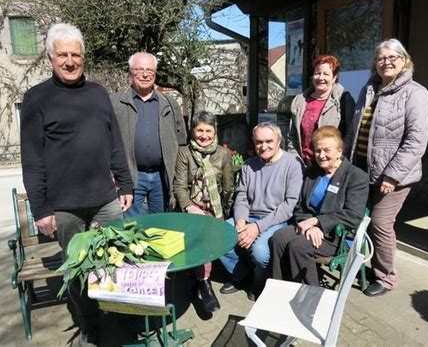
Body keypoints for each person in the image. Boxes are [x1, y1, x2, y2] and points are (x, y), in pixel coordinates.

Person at [20, 23, 133, 345]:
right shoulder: (36, 98)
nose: (70, 61)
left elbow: (114, 143)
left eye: (76, 55)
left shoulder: (98, 94)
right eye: (62, 55)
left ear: (84, 57)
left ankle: (120, 318)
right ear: (51, 58)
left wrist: (124, 185)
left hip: (105, 200)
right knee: (78, 270)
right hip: (65, 207)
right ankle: (89, 325)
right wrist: (41, 210)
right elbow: (32, 160)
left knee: (116, 262)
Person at [345, 38, 428, 297]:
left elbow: (416, 140)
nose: (386, 62)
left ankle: (385, 276)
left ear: (405, 61)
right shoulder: (368, 89)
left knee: (381, 223)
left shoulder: (416, 93)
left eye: (393, 57)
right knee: (357, 220)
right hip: (361, 169)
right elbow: (353, 130)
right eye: (381, 58)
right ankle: (357, 265)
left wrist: (392, 175)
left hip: (391, 176)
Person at [271, 126, 369, 285]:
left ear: (339, 151)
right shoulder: (312, 173)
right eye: (317, 151)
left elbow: (353, 215)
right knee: (279, 238)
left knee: (299, 247)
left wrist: (317, 223)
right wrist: (309, 225)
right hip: (310, 227)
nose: (321, 155)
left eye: (327, 150)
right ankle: (282, 286)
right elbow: (300, 206)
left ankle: (309, 295)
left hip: (339, 234)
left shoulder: (356, 177)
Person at [219, 122, 303, 300]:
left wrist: (257, 227)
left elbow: (289, 205)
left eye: (268, 141)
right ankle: (241, 274)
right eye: (258, 142)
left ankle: (259, 282)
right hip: (248, 216)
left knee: (260, 252)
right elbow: (241, 196)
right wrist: (241, 221)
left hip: (277, 220)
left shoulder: (293, 164)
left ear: (279, 140)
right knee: (220, 237)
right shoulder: (249, 165)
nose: (263, 146)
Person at [111, 51, 187, 217]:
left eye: (150, 70)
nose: (145, 75)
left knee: (161, 225)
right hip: (130, 176)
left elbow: (182, 142)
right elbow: (105, 143)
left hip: (162, 176)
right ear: (131, 73)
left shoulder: (170, 104)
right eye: (139, 70)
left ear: (155, 73)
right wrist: (112, 175)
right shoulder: (116, 103)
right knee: (132, 227)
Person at [173, 111, 234, 313]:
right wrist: (191, 207)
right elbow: (180, 186)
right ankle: (204, 284)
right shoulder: (185, 153)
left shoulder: (223, 154)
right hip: (192, 208)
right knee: (201, 232)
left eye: (209, 130)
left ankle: (203, 280)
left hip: (214, 209)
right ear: (193, 131)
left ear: (215, 131)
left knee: (212, 232)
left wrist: (220, 210)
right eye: (200, 130)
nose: (204, 135)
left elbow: (228, 187)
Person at [286, 54, 355, 167]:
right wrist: (296, 161)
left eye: (326, 74)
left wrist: (339, 160)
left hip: (331, 165)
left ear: (334, 77)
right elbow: (292, 135)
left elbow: (350, 134)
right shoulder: (300, 101)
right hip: (303, 165)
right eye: (317, 73)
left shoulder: (344, 100)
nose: (320, 78)